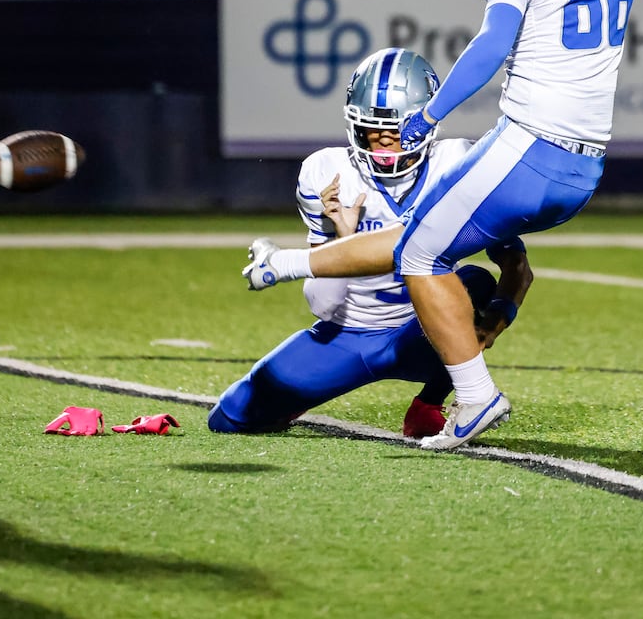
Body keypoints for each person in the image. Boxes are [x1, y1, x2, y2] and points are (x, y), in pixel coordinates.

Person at [243, 0, 643, 451]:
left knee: (418, 256)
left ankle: (475, 398)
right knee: (422, 235)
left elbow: (494, 43)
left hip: (529, 147)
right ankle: (283, 265)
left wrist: (429, 116)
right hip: (583, 166)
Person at [210, 49, 535, 438]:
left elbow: (516, 265)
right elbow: (324, 305)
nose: (383, 142)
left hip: (424, 336)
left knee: (476, 283)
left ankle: (430, 403)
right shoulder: (328, 172)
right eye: (371, 129)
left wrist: (495, 324)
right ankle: (301, 395)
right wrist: (340, 236)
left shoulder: (456, 163)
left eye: (396, 130)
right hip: (349, 334)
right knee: (230, 419)